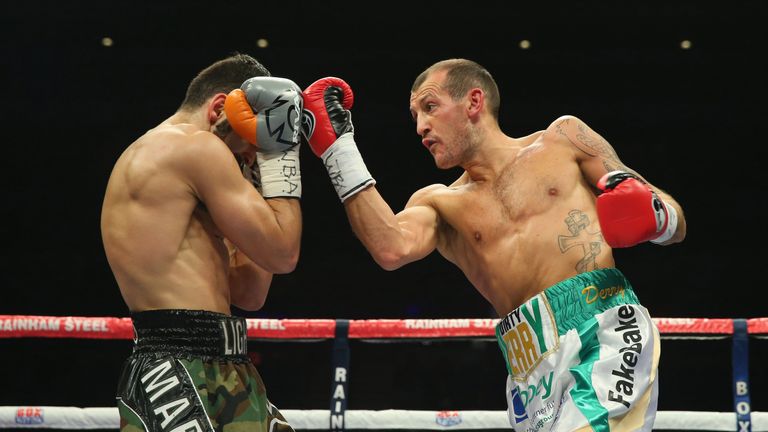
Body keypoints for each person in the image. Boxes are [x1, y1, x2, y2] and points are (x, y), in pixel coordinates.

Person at [301, 59, 686, 431]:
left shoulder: (564, 139)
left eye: (430, 107)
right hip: (527, 366)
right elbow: (389, 247)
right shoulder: (439, 203)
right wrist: (338, 150)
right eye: (415, 115)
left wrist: (657, 216)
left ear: (474, 101)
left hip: (602, 329)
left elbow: (673, 217)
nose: (420, 126)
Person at [100, 53, 303, 432]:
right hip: (179, 366)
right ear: (222, 109)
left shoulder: (169, 167)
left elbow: (249, 292)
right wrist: (281, 155)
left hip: (224, 361)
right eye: (248, 149)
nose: (249, 159)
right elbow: (284, 252)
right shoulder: (195, 148)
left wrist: (258, 178)